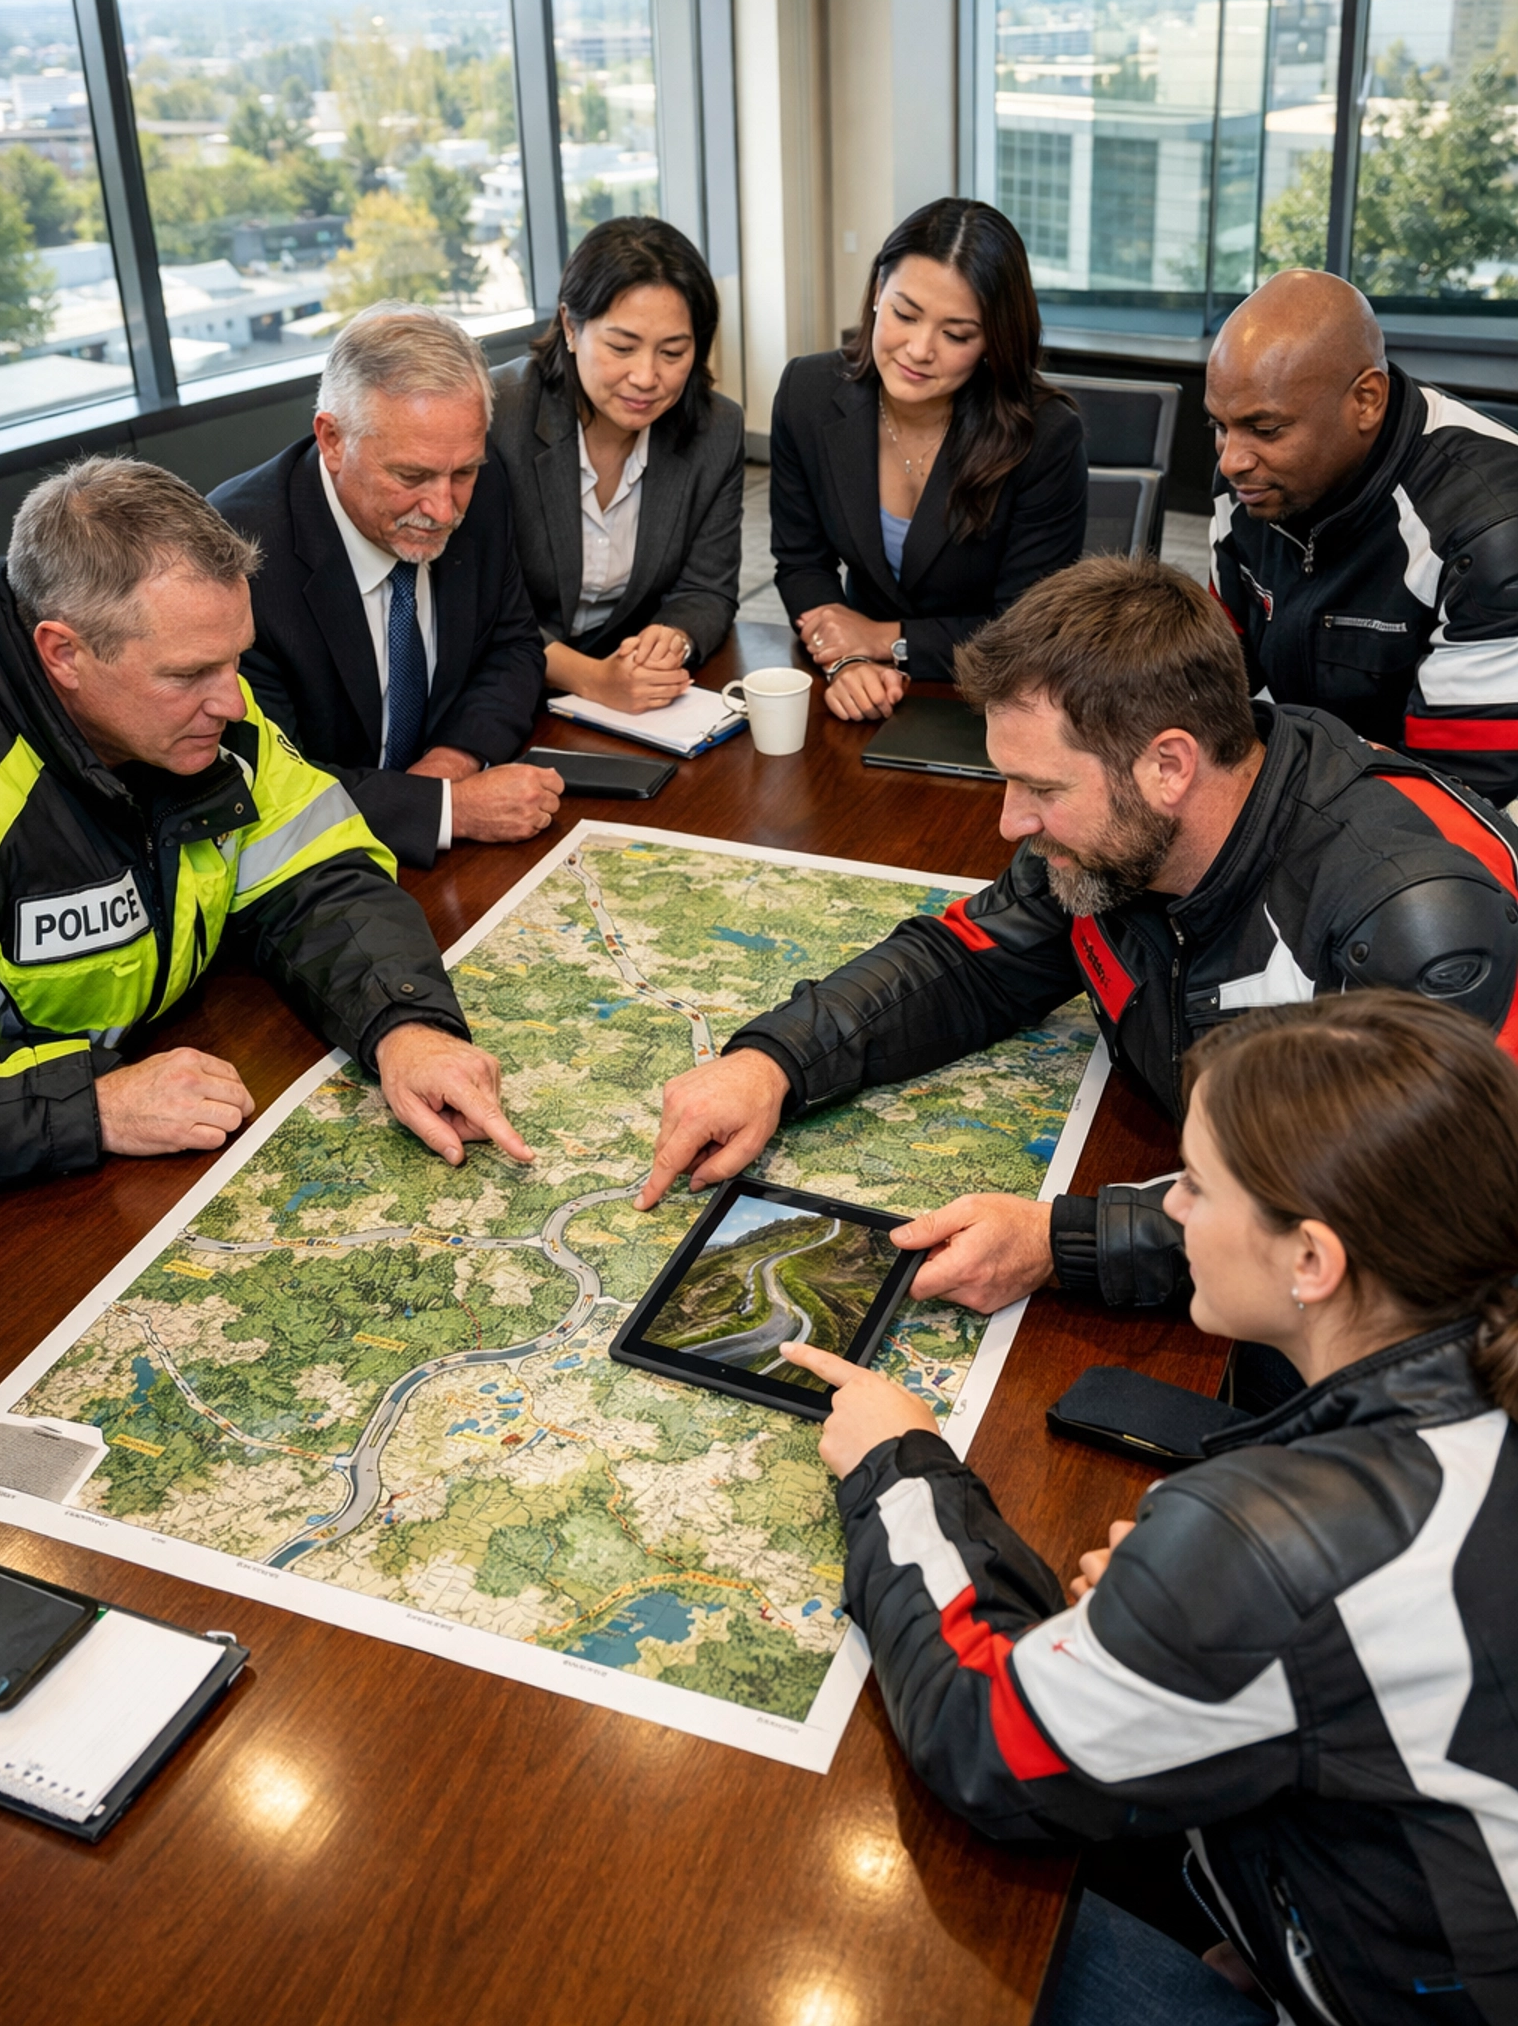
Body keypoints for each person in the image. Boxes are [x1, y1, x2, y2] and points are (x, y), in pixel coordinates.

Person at [781, 990, 1518, 2025]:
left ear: (1313, 1261)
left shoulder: (1271, 1541)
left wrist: (898, 1465)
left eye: (1199, 1189)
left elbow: (988, 1737)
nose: (1169, 1209)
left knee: (903, 1934)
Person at [638, 557, 1518, 1340]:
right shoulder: (1116, 837)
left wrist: (1061, 1246)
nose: (1010, 821)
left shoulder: (1414, 918)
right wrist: (774, 1062)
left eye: (1040, 788)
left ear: (1169, 766)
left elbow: (1359, 1222)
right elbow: (966, 962)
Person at [0, 458, 535, 1191]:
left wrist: (406, 1027)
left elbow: (322, 874)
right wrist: (91, 1105)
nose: (234, 705)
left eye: (234, 661)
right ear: (64, 653)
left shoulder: (212, 723)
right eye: (188, 675)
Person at [212, 304, 555, 871]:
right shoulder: (238, 555)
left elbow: (512, 647)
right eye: (411, 476)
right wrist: (447, 808)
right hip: (305, 876)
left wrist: (451, 763)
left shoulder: (484, 490)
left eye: (463, 473)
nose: (443, 509)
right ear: (332, 440)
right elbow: (267, 780)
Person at [1208, 267, 1518, 811]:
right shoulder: (1249, 487)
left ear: (1366, 401)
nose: (1232, 460)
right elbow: (1211, 684)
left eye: (1266, 429)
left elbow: (1456, 797)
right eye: (1218, 426)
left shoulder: (1492, 530)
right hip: (1325, 786)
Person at [770, 197, 1087, 721]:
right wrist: (847, 659)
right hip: (859, 689)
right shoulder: (806, 393)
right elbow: (802, 561)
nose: (919, 349)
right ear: (877, 294)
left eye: (957, 334)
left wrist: (883, 639)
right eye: (905, 314)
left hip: (994, 701)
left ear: (992, 340)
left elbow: (1025, 628)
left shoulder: (1046, 436)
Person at [490, 217, 743, 716]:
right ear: (570, 326)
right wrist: (592, 678)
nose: (646, 377)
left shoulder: (715, 429)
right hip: (503, 689)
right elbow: (480, 609)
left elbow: (707, 589)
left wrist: (671, 639)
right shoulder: (499, 415)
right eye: (622, 348)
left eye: (673, 352)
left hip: (641, 695)